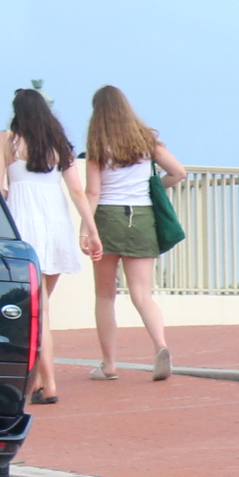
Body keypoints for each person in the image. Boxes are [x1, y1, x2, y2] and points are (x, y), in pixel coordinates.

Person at [0, 87, 99, 404]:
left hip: (24, 226)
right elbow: (79, 193)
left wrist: (11, 196)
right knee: (42, 309)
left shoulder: (6, 140)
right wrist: (91, 231)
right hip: (56, 227)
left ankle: (48, 384)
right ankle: (38, 381)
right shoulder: (58, 144)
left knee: (37, 312)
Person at [80, 85, 186, 383]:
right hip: (141, 217)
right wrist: (154, 188)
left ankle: (109, 364)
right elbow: (179, 173)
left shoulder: (97, 147)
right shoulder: (146, 142)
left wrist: (85, 229)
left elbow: (92, 192)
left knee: (105, 295)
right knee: (142, 294)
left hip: (107, 218)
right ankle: (161, 346)